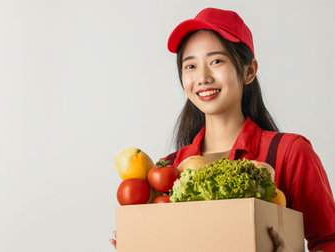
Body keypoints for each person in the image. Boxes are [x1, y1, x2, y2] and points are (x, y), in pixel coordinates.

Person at [109, 7, 335, 252]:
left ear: (248, 71)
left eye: (216, 61)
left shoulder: (289, 153)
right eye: (190, 66)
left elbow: (330, 240)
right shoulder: (169, 169)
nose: (203, 77)